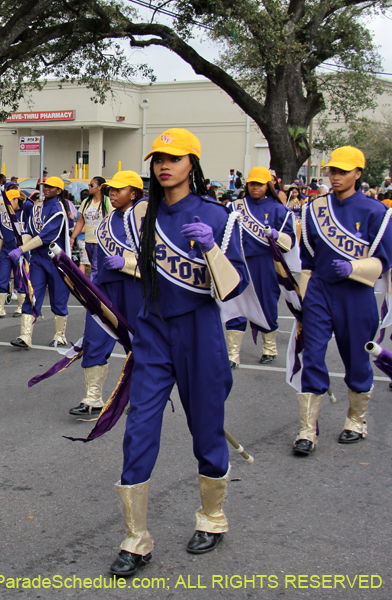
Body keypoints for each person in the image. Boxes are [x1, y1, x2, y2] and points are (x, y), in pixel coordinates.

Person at [108, 129, 248, 577]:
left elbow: (234, 285)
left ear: (193, 163)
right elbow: (133, 268)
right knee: (139, 429)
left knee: (206, 427)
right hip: (153, 332)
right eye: (157, 159)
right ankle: (136, 538)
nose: (163, 165)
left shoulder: (216, 216)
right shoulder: (140, 215)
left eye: (173, 158)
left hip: (200, 331)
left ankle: (212, 518)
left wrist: (209, 246)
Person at [292, 146, 392, 455]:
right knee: (312, 355)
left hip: (356, 293)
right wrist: (301, 297)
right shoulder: (314, 208)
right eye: (333, 171)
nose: (335, 176)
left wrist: (355, 267)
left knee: (357, 357)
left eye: (343, 171)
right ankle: (308, 429)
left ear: (358, 174)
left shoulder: (377, 212)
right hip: (321, 289)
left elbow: (385, 261)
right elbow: (307, 258)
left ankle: (356, 421)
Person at [68, 171, 144, 418]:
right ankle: (93, 398)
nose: (113, 193)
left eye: (120, 189)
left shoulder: (146, 221)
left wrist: (127, 262)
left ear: (134, 193)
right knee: (95, 339)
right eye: (112, 188)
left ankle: (141, 396)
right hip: (105, 288)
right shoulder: (106, 221)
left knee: (141, 344)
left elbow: (159, 263)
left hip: (136, 289)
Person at [224, 167, 296, 367]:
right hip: (238, 261)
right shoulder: (235, 206)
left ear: (269, 185)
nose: (255, 187)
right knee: (236, 303)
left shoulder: (280, 210)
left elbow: (291, 242)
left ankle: (269, 348)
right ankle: (233, 353)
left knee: (267, 303)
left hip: (266, 263)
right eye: (252, 183)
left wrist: (276, 235)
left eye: (260, 183)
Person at [9, 176, 71, 348]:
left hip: (56, 260)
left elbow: (46, 237)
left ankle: (60, 335)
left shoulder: (58, 210)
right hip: (38, 260)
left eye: (50, 187)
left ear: (59, 191)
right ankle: (25, 336)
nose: (46, 189)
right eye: (44, 186)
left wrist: (22, 249)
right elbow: (29, 231)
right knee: (31, 294)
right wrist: (22, 246)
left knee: (58, 298)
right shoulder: (38, 208)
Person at [0, 188, 30, 319]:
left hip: (21, 252)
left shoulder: (25, 213)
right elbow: (1, 236)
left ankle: (21, 307)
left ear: (16, 200)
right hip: (6, 252)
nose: (6, 205)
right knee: (1, 279)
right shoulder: (2, 215)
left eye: (9, 201)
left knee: (20, 280)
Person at [70, 176, 108, 281]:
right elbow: (80, 222)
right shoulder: (86, 202)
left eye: (92, 185)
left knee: (96, 267)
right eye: (89, 185)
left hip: (101, 241)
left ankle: (94, 290)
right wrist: (72, 237)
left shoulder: (107, 202)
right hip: (88, 240)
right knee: (93, 265)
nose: (89, 187)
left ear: (100, 187)